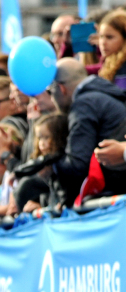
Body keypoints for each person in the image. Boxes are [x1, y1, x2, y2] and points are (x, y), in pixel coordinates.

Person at [50, 57, 126, 202]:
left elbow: (77, 165)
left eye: (50, 91)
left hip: (113, 196)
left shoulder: (84, 104)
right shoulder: (108, 93)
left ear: (61, 88)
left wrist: (51, 167)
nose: (51, 98)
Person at [97, 10, 126, 90]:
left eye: (109, 37)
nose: (103, 42)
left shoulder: (123, 67)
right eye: (101, 37)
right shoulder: (110, 61)